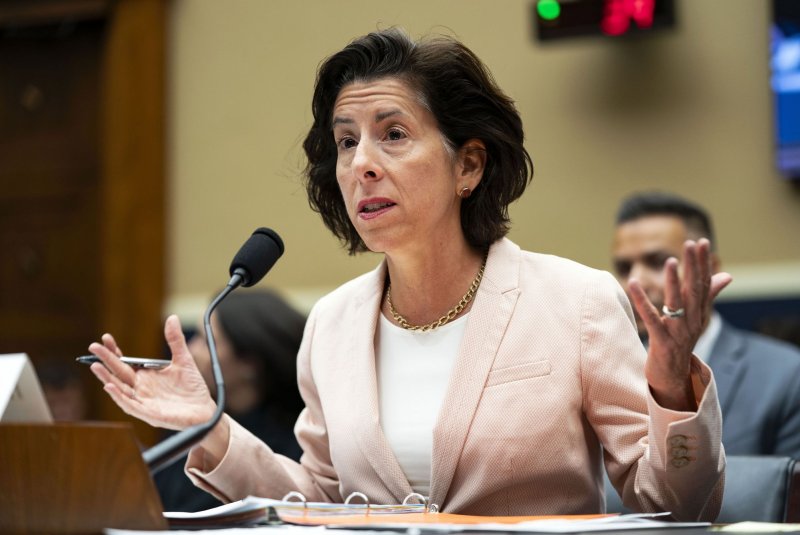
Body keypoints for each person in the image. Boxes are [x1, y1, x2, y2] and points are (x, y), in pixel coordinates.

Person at [87, 28, 731, 520]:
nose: (362, 163)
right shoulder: (332, 326)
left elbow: (673, 508)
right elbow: (321, 503)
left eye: (393, 134)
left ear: (468, 166)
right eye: (346, 142)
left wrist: (673, 394)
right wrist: (211, 428)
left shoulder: (575, 301)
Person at [612, 191, 800, 460]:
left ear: (707, 269)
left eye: (657, 263)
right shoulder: (610, 372)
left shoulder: (786, 375)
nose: (634, 282)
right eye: (624, 267)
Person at [153, 289, 306, 511]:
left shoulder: (295, 442)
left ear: (249, 364)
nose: (191, 350)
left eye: (206, 342)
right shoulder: (196, 419)